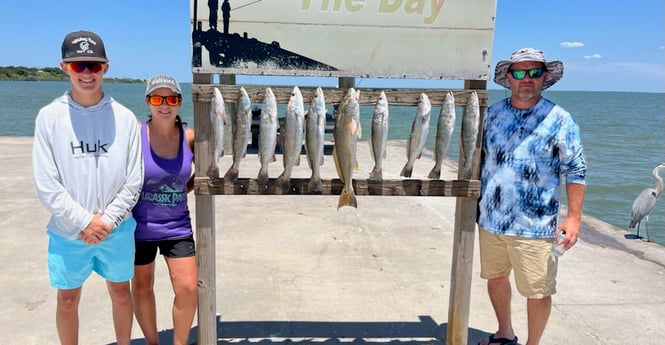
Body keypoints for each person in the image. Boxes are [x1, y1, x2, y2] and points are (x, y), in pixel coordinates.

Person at [32, 30, 143, 345]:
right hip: (69, 230)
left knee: (121, 292)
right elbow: (46, 183)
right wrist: (84, 221)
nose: (86, 73)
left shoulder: (124, 117)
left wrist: (107, 221)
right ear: (64, 67)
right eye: (78, 65)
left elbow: (133, 179)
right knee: (67, 299)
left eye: (93, 66)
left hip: (116, 228)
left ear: (106, 68)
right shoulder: (49, 118)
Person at [476, 48, 587, 345]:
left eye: (534, 72)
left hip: (536, 226)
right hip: (491, 220)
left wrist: (574, 217)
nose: (527, 79)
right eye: (520, 73)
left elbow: (575, 170)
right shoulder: (491, 114)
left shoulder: (560, 118)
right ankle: (504, 332)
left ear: (544, 77)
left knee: (537, 290)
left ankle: (532, 343)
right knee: (496, 278)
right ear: (509, 78)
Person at [131, 75, 198, 345]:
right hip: (138, 228)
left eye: (171, 99)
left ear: (179, 102)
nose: (164, 105)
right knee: (143, 287)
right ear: (148, 102)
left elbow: (202, 175)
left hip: (177, 227)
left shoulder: (190, 137)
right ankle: (152, 342)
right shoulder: (134, 134)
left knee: (188, 288)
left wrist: (179, 191)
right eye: (157, 99)